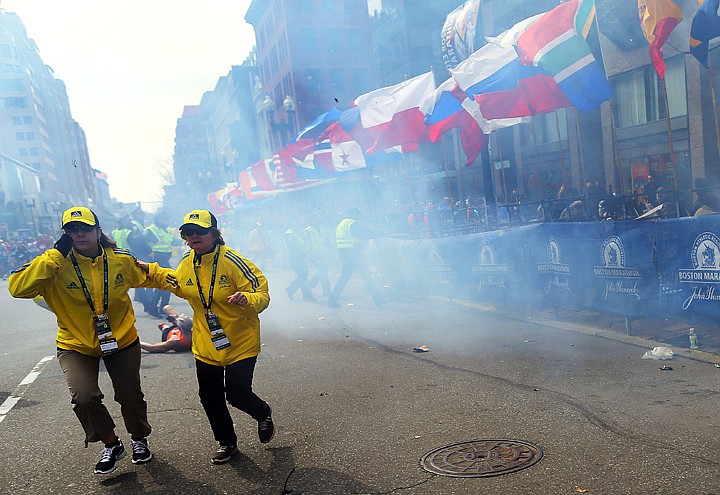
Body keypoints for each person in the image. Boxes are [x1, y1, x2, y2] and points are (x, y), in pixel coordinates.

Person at [7, 206, 164, 475]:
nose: (79, 234)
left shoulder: (120, 260)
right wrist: (55, 255)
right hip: (74, 344)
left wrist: (190, 286)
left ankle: (139, 439)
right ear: (65, 235)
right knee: (83, 398)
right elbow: (17, 288)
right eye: (72, 229)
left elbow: (154, 275)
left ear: (98, 231)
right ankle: (112, 444)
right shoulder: (54, 262)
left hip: (121, 339)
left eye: (85, 228)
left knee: (129, 395)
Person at [142, 209, 274, 464]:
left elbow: (262, 293)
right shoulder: (187, 262)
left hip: (240, 340)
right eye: (188, 233)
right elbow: (177, 283)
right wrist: (148, 269)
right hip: (206, 341)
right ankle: (226, 442)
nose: (193, 237)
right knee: (209, 395)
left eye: (200, 232)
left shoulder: (233, 261)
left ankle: (263, 412)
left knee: (237, 394)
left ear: (214, 233)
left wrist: (248, 299)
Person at [327, 207, 384, 308]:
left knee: (343, 278)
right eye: (357, 213)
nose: (359, 216)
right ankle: (378, 300)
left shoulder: (341, 224)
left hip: (344, 253)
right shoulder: (351, 223)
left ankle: (332, 301)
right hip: (352, 253)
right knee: (367, 276)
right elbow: (364, 232)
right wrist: (379, 233)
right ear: (353, 214)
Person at [143, 211, 175, 317]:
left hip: (164, 258)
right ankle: (153, 308)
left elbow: (171, 241)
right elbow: (140, 241)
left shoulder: (165, 230)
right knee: (164, 282)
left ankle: (163, 307)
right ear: (158, 219)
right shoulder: (150, 230)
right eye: (164, 219)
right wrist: (148, 251)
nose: (166, 221)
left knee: (167, 282)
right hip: (157, 258)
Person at [283, 228, 315, 301]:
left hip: (299, 259)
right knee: (302, 277)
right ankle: (292, 289)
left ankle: (305, 295)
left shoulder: (295, 234)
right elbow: (292, 247)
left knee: (303, 277)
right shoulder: (289, 234)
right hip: (296, 260)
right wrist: (302, 248)